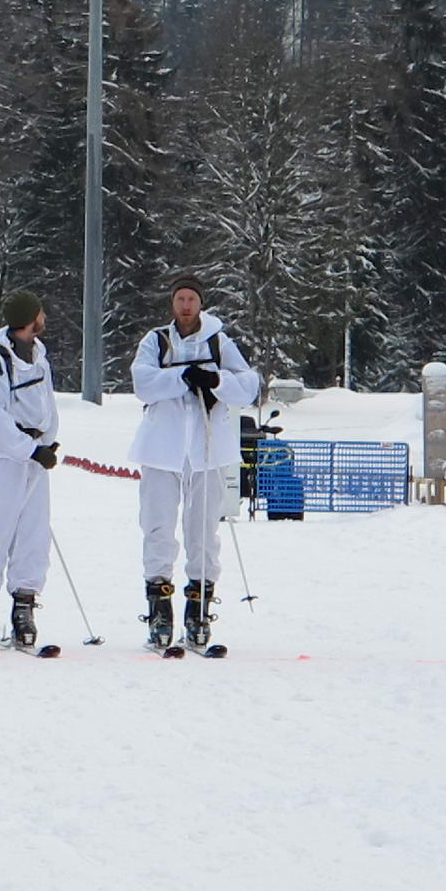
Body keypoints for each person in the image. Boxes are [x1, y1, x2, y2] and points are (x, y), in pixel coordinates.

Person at [128, 274, 260, 651]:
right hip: (162, 449)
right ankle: (159, 608)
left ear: (201, 303)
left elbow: (248, 385)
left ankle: (198, 609)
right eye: (180, 299)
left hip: (207, 449)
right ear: (173, 303)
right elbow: (143, 382)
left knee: (203, 529)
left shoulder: (219, 341)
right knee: (158, 527)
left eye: (191, 299)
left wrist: (215, 381)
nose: (186, 305)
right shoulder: (156, 340)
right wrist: (182, 378)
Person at [0, 291, 60, 653]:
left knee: (34, 534)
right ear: (29, 318)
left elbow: (47, 405)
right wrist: (28, 448)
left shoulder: (39, 357)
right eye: (39, 313)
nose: (43, 318)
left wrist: (46, 443)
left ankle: (24, 606)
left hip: (34, 461)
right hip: (0, 460)